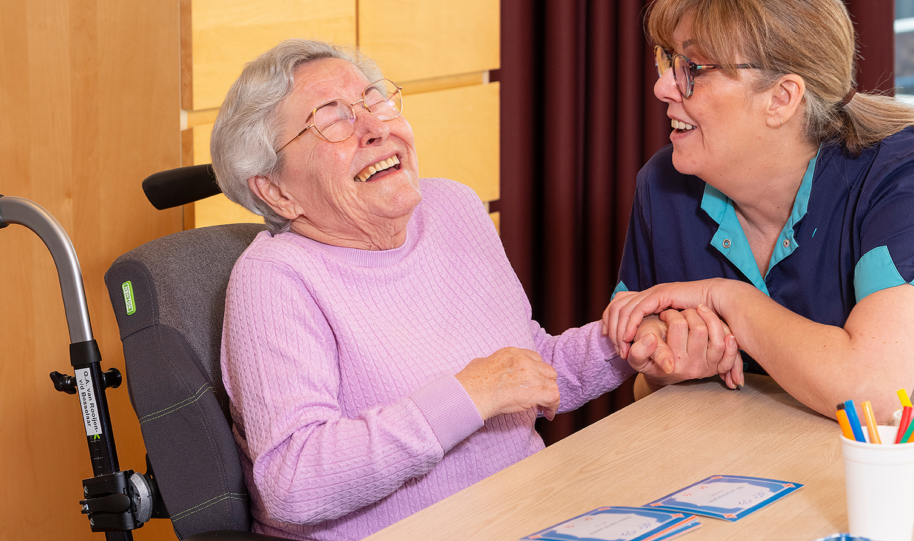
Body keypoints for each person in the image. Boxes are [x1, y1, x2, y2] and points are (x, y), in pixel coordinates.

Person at [210, 39, 740, 540]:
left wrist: (631, 341)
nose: (374, 128)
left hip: (527, 515)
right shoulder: (276, 278)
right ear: (276, 192)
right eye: (332, 121)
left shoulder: (452, 208)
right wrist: (469, 394)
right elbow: (293, 483)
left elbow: (527, 369)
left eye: (375, 101)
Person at [602, 0, 914, 421]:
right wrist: (668, 368)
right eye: (668, 61)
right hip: (770, 454)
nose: (662, 86)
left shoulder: (906, 174)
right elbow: (647, 386)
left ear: (782, 98)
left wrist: (725, 297)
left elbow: (872, 395)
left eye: (694, 68)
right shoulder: (664, 185)